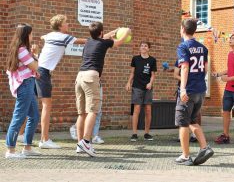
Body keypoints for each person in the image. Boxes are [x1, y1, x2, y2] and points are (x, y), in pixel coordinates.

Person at [76, 23, 131, 156]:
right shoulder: (104, 43)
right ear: (101, 32)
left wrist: (115, 30)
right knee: (93, 111)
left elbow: (103, 37)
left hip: (80, 77)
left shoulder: (89, 41)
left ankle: (80, 144)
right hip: (91, 77)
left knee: (82, 113)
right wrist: (127, 31)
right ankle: (86, 142)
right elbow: (119, 42)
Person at [36, 14, 86, 149]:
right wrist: (104, 38)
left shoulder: (50, 35)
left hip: (38, 70)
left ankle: (22, 134)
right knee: (47, 105)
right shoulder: (63, 37)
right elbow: (86, 41)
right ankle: (44, 140)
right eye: (66, 22)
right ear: (60, 26)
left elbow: (43, 37)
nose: (68, 24)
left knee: (30, 104)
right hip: (43, 72)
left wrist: (44, 38)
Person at [175, 18, 214, 166]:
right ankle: (204, 147)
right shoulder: (203, 48)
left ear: (183, 30)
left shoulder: (183, 47)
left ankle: (185, 156)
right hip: (200, 90)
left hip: (189, 90)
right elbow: (205, 69)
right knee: (192, 120)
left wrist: (183, 88)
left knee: (183, 123)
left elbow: (184, 67)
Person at [5, 24, 41, 158]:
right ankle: (10, 150)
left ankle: (27, 147)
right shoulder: (22, 50)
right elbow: (36, 66)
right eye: (31, 34)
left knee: (34, 116)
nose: (32, 36)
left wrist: (34, 55)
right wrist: (36, 54)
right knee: (19, 116)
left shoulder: (22, 50)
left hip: (28, 84)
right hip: (25, 85)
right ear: (26, 35)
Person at [126, 42, 157, 142]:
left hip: (147, 87)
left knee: (148, 110)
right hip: (137, 87)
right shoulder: (135, 59)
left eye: (145, 46)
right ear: (140, 48)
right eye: (142, 46)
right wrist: (128, 82)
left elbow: (152, 75)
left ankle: (146, 133)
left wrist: (150, 83)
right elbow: (132, 73)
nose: (143, 47)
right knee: (137, 109)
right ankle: (134, 133)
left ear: (148, 49)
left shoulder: (152, 60)